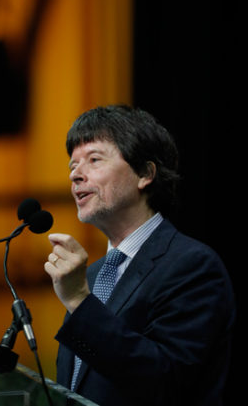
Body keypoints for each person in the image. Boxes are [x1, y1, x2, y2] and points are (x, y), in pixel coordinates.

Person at [44, 104, 235, 406]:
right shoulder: (90, 277)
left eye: (93, 160)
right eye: (72, 166)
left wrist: (80, 301)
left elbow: (166, 380)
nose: (76, 175)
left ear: (145, 173)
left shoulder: (192, 265)